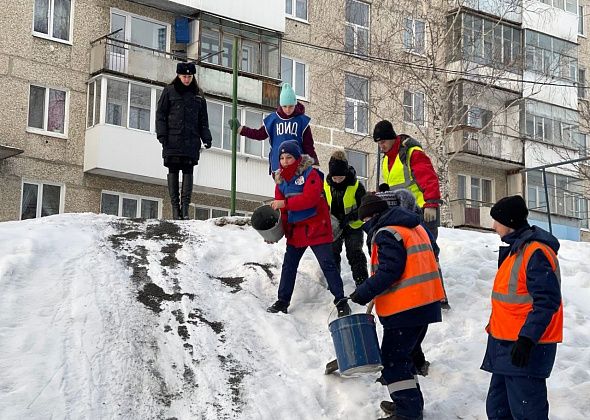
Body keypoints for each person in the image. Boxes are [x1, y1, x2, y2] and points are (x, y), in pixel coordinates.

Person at [350, 192, 444, 420]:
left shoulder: (386, 233)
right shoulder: (414, 226)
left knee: (393, 361)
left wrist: (362, 292)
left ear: (371, 217)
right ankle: (410, 406)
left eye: (364, 221)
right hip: (425, 303)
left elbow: (389, 271)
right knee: (404, 358)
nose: (364, 225)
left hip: (406, 307)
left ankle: (408, 413)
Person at [482, 195, 563, 420]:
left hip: (525, 347)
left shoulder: (534, 251)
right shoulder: (516, 250)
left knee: (527, 413)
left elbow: (547, 300)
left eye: (496, 221)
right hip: (506, 345)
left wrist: (527, 340)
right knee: (499, 409)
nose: (493, 226)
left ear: (508, 223)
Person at [267, 140, 351, 317]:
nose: (285, 161)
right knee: (289, 265)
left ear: (297, 158)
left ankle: (341, 300)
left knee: (328, 265)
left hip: (316, 227)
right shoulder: (280, 180)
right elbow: (282, 211)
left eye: (289, 157)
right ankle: (283, 301)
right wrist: (276, 233)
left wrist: (286, 203)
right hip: (296, 231)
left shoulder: (311, 174)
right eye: (281, 158)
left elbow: (310, 200)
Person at [373, 120, 450, 310]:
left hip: (424, 210)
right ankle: (419, 293)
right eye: (378, 143)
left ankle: (440, 296)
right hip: (403, 214)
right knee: (412, 254)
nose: (381, 146)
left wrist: (431, 204)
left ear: (392, 138)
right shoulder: (386, 160)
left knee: (429, 251)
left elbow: (429, 178)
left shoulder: (411, 153)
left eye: (383, 141)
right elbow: (395, 187)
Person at [156, 62, 212, 220]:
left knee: (188, 171)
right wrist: (162, 135)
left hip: (191, 141)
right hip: (172, 140)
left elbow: (203, 121)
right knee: (173, 170)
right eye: (184, 76)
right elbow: (161, 114)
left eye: (189, 76)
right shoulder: (169, 91)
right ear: (178, 75)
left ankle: (185, 209)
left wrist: (206, 138)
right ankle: (175, 209)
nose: (187, 79)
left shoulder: (199, 95)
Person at [228, 83, 319, 174]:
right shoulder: (273, 120)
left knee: (295, 187)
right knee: (281, 187)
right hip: (278, 166)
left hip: (297, 166)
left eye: (291, 106)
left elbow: (309, 145)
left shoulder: (302, 121)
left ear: (295, 104)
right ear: (280, 105)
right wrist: (241, 129)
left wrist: (314, 163)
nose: (287, 109)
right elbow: (259, 134)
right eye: (285, 106)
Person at [323, 150, 368, 286]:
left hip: (353, 225)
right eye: (335, 177)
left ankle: (362, 282)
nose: (337, 180)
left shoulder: (356, 186)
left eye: (340, 177)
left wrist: (349, 217)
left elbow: (364, 208)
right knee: (332, 253)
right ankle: (334, 283)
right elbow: (323, 205)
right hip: (334, 225)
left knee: (355, 253)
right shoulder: (326, 185)